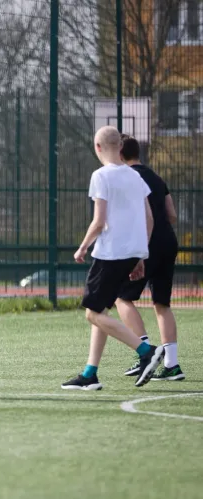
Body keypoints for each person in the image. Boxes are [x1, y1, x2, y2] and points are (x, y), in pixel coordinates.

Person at [61, 126, 164, 391]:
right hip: (131, 253)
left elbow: (99, 221)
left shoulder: (100, 176)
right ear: (120, 147)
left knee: (92, 315)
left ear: (97, 147)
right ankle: (89, 374)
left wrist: (83, 247)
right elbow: (149, 219)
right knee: (101, 311)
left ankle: (146, 351)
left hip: (110, 254)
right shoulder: (135, 177)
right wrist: (140, 255)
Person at [115, 135, 184, 381]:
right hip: (169, 241)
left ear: (119, 153)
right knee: (162, 304)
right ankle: (172, 366)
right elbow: (172, 215)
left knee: (122, 298)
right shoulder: (156, 177)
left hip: (147, 242)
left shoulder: (126, 178)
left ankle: (145, 353)